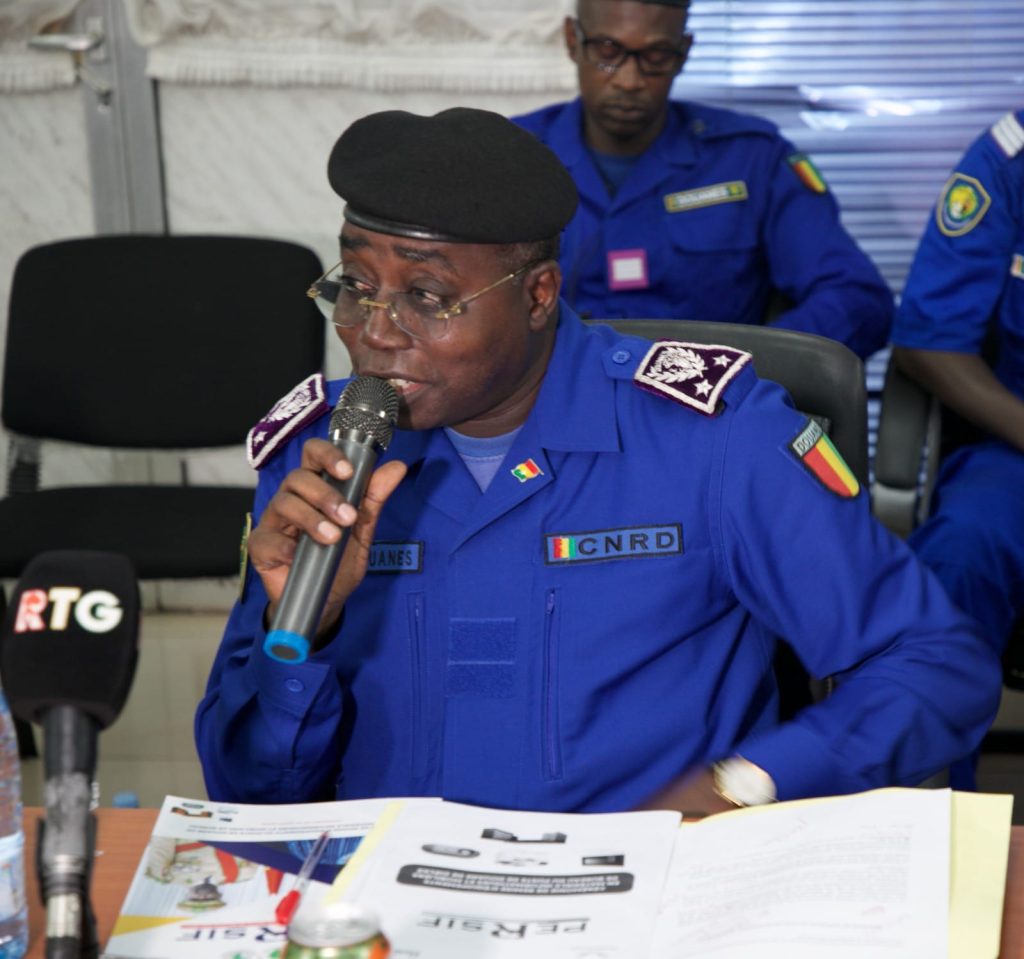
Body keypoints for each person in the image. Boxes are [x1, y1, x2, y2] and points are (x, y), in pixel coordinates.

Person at [196, 106, 998, 815]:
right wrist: (299, 633)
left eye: (427, 297)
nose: (374, 330)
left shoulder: (713, 439)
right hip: (393, 897)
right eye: (357, 285)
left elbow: (936, 665)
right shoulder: (319, 458)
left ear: (539, 294)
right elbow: (249, 794)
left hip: (652, 891)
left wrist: (749, 785)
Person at [512, 0, 892, 360]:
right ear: (572, 41)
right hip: (555, 398)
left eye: (656, 56)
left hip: (709, 400)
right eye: (608, 51)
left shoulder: (750, 158)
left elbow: (858, 299)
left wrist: (747, 369)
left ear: (684, 52)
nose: (629, 80)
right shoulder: (512, 159)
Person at [890, 108, 1024, 785]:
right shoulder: (1010, 159)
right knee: (961, 548)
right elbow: (928, 342)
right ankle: (936, 815)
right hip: (1018, 444)